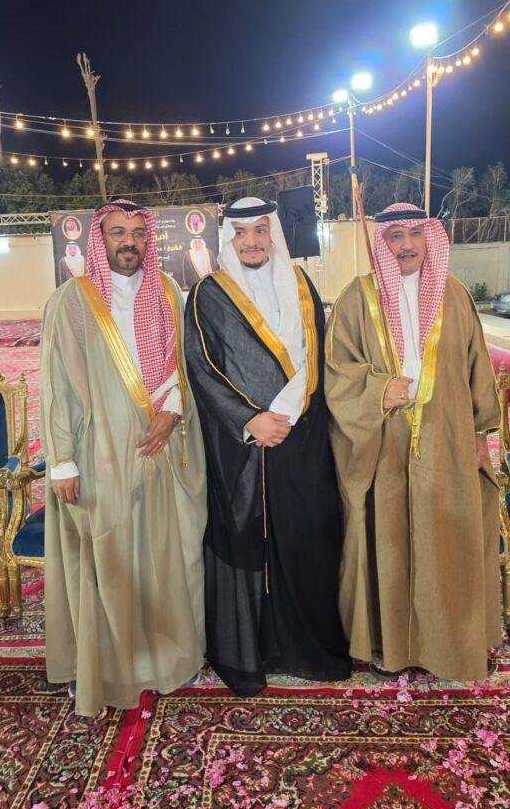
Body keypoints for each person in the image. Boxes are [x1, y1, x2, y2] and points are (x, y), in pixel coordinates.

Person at [40, 199, 206, 717]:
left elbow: (185, 363)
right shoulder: (71, 301)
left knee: (168, 556)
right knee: (108, 562)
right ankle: (106, 668)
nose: (128, 242)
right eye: (117, 233)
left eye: (137, 233)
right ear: (100, 238)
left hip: (163, 444)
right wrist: (62, 460)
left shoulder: (168, 291)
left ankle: (169, 658)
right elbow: (56, 384)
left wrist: (172, 412)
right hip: (100, 452)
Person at [325, 202, 501, 682]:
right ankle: (389, 647)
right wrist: (379, 389)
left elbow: (477, 370)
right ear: (382, 242)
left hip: (447, 441)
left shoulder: (454, 294)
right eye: (395, 236)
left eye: (415, 235)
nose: (406, 245)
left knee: (446, 540)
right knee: (389, 547)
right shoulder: (357, 298)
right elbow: (337, 372)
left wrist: (482, 434)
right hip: (382, 445)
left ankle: (450, 644)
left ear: (430, 238)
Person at [184, 196, 350, 696]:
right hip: (244, 446)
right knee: (247, 541)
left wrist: (294, 415)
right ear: (228, 239)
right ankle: (253, 651)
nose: (252, 241)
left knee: (307, 534)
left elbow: (318, 354)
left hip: (302, 437)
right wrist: (251, 420)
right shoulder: (209, 294)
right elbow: (202, 369)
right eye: (241, 233)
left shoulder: (301, 284)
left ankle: (305, 647)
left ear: (273, 233)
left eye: (260, 230)